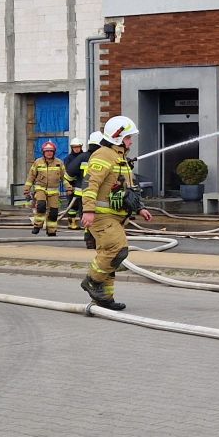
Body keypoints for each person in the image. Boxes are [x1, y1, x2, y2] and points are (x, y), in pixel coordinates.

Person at [80, 116, 139, 311]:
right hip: (101, 216)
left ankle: (105, 298)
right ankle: (92, 281)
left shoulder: (119, 157)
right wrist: (89, 210)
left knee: (107, 255)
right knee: (117, 250)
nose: (131, 142)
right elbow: (91, 184)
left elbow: (128, 189)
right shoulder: (103, 155)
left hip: (116, 216)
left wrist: (140, 208)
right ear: (117, 137)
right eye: (128, 137)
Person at [26, 141, 67, 236]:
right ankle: (37, 225)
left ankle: (51, 230)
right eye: (47, 151)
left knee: (53, 212)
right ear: (43, 152)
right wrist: (27, 189)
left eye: (51, 151)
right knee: (41, 206)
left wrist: (68, 188)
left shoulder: (59, 163)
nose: (49, 153)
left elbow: (64, 177)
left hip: (54, 191)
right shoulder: (38, 162)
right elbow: (31, 177)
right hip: (41, 188)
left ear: (54, 152)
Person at [60, 136, 91, 229]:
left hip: (82, 184)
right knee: (72, 205)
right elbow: (67, 173)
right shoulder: (68, 159)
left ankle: (84, 223)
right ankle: (71, 223)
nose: (76, 149)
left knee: (82, 205)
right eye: (74, 147)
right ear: (71, 148)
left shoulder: (86, 156)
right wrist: (68, 188)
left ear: (81, 147)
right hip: (72, 185)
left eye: (78, 147)